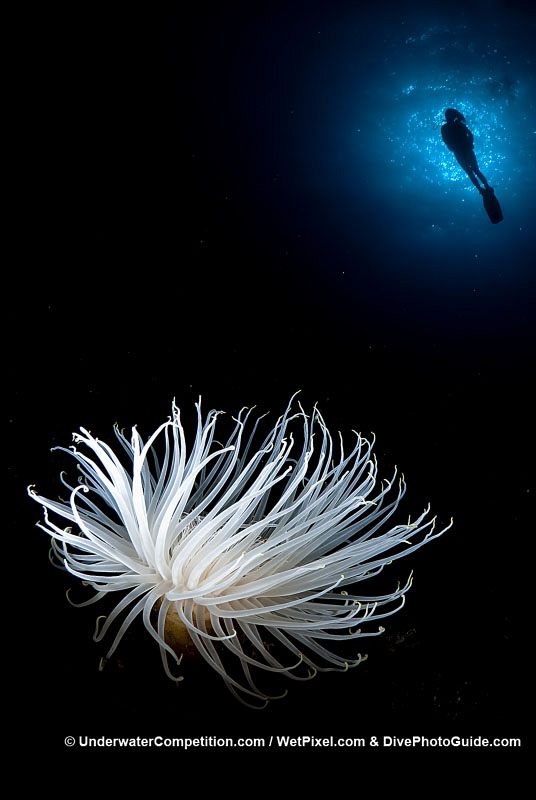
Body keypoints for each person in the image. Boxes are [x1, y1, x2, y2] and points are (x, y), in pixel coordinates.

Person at [441, 108, 490, 194]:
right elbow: (470, 134)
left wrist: (451, 147)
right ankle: (485, 187)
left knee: (471, 172)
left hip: (460, 151)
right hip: (465, 149)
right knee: (475, 170)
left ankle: (482, 188)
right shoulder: (457, 124)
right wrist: (470, 143)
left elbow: (446, 141)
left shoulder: (446, 127)